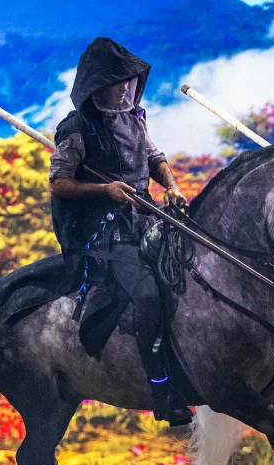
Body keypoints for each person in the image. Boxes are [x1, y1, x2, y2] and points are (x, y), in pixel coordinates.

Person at [48, 37, 192, 426]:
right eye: (117, 82)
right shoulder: (77, 129)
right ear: (97, 85)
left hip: (147, 216)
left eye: (129, 80)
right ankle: (161, 391)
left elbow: (153, 156)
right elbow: (59, 183)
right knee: (147, 296)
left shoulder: (135, 116)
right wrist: (103, 189)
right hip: (103, 232)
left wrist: (173, 187)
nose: (125, 87)